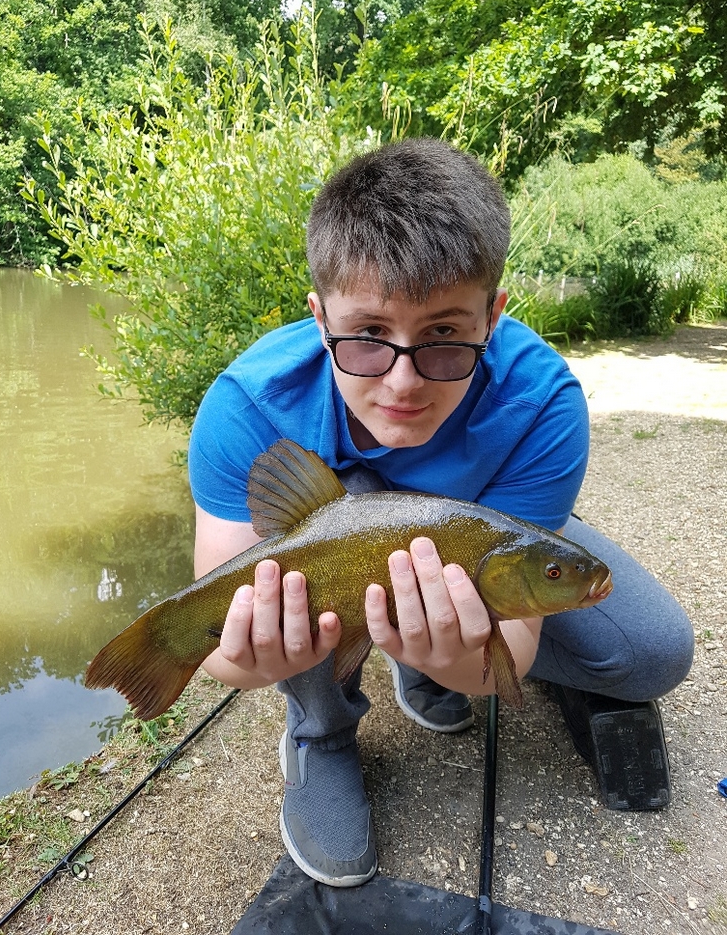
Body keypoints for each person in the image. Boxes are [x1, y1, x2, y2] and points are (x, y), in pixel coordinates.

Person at [188, 138, 694, 888]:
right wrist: (249, 660)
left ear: (494, 315)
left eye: (445, 337)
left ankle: (427, 667)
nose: (402, 380)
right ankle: (321, 732)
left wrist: (453, 655)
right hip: (336, 548)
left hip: (487, 536)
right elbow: (213, 638)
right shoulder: (248, 404)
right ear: (319, 314)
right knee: (334, 539)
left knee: (655, 651)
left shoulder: (543, 402)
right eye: (366, 336)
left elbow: (510, 652)